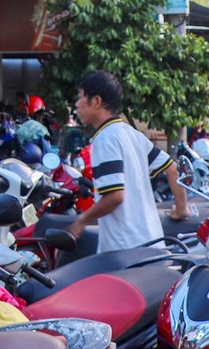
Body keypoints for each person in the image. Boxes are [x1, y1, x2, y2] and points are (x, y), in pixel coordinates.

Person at [66, 70, 190, 249]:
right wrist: (181, 209)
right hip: (153, 244)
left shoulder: (105, 139)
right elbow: (172, 169)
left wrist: (81, 220)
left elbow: (115, 196)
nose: (77, 105)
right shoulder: (132, 134)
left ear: (97, 101)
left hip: (125, 251)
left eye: (80, 97)